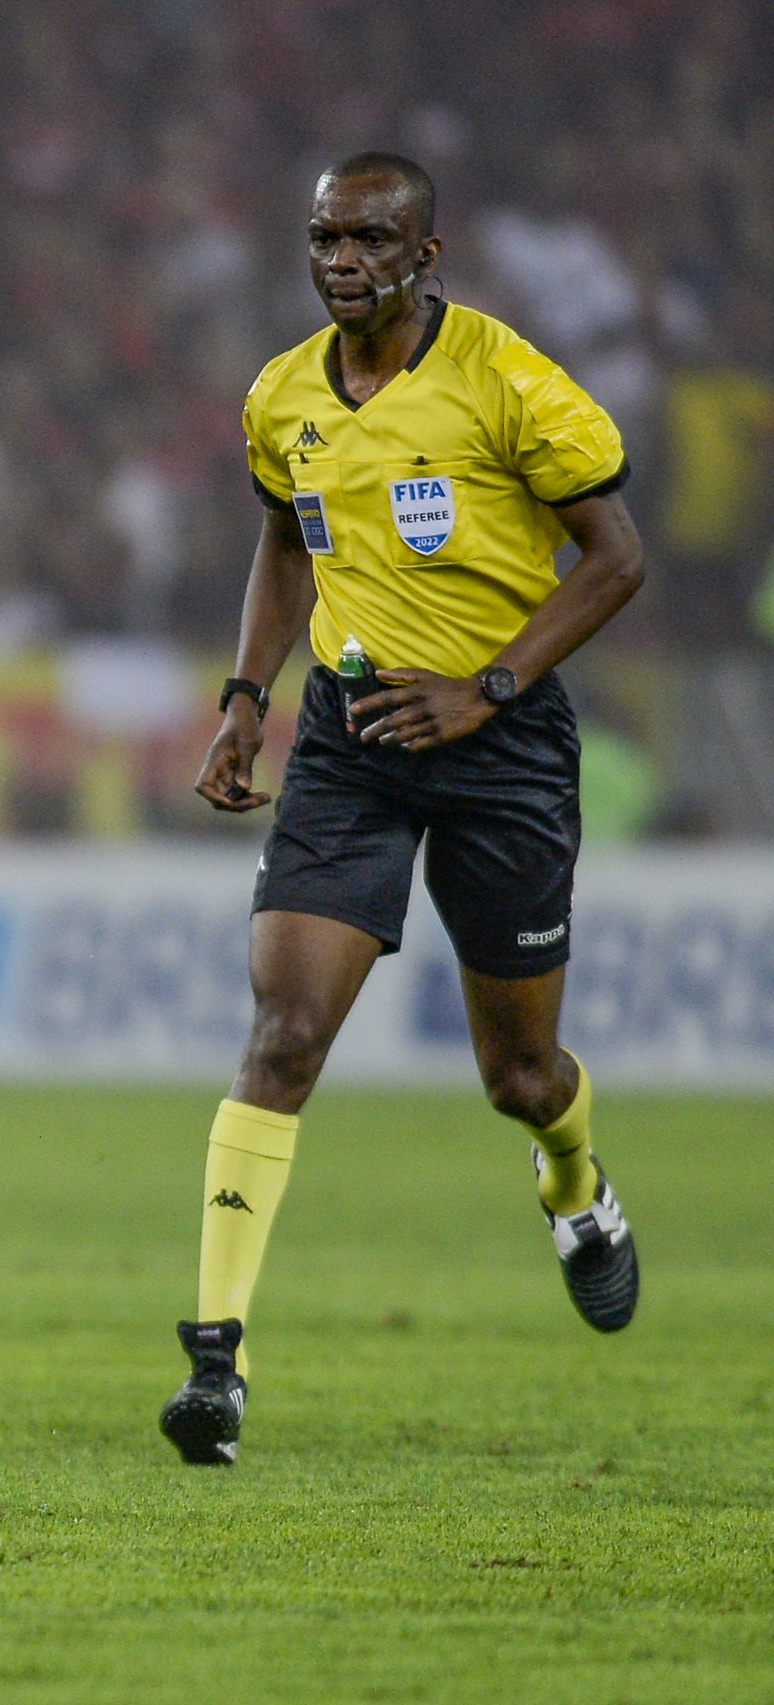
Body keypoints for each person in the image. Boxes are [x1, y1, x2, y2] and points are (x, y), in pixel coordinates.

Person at [164, 153, 647, 1465]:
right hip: (355, 737)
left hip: (505, 743)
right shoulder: (281, 395)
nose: (341, 259)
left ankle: (575, 1184)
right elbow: (283, 542)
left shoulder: (509, 381)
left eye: (370, 239)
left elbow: (618, 557)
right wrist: (247, 695)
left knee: (518, 1075)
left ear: (426, 255)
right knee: (284, 1031)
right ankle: (218, 1361)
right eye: (324, 235)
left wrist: (489, 687)